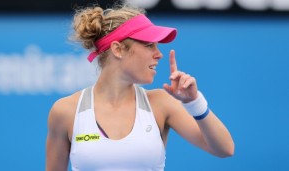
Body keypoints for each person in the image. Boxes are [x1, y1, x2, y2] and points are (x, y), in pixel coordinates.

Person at [46, 2, 234, 171]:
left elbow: (225, 149)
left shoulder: (162, 103)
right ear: (118, 49)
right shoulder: (65, 111)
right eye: (149, 45)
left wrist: (194, 102)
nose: (158, 54)